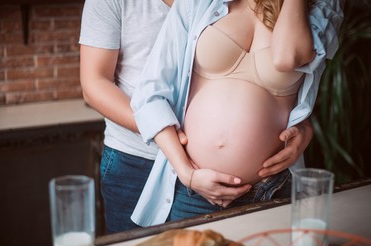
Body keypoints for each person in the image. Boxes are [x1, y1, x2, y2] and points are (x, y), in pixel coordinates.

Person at [79, 0, 318, 233]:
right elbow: (94, 84)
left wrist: (303, 126)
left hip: (240, 176)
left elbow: (281, 82)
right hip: (136, 157)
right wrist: (172, 139)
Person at [130, 0, 344, 225]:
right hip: (195, 189)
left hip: (271, 188)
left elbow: (287, 56)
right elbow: (150, 93)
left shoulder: (319, 6)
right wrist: (187, 173)